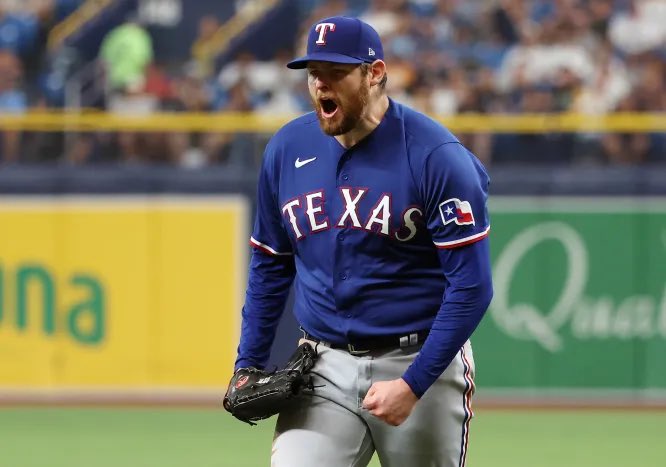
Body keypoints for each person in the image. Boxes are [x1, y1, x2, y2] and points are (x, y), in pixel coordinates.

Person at [230, 16, 493, 467]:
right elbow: (270, 262)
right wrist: (247, 364)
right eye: (314, 73)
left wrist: (413, 384)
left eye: (336, 72)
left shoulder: (437, 157)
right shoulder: (287, 148)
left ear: (374, 74)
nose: (321, 84)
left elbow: (471, 287)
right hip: (321, 365)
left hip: (419, 361)